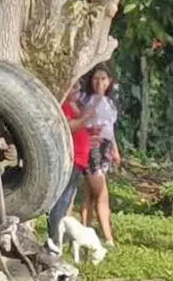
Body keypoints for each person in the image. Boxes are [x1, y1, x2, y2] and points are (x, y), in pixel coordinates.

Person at [46, 79, 91, 254]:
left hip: (79, 160)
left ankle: (58, 239)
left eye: (78, 85)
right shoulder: (63, 105)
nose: (77, 89)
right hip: (70, 160)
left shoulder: (75, 106)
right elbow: (67, 127)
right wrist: (87, 117)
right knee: (61, 201)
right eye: (73, 86)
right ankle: (54, 240)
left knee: (66, 202)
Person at [78, 63, 120, 247]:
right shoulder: (85, 99)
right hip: (91, 147)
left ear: (110, 81)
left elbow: (110, 129)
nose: (99, 82)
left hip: (105, 147)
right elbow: (85, 119)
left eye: (103, 79)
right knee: (101, 192)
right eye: (96, 78)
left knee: (90, 193)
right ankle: (108, 237)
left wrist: (115, 151)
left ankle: (85, 230)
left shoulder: (110, 103)